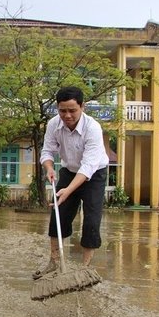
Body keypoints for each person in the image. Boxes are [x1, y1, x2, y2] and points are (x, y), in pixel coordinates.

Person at [32, 86, 110, 280]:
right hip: (68, 170)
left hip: (94, 174)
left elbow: (88, 166)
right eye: (62, 110)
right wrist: (49, 168)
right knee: (58, 214)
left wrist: (68, 191)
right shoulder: (53, 124)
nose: (67, 115)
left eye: (72, 110)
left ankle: (85, 268)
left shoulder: (92, 128)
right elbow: (47, 151)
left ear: (82, 107)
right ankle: (54, 262)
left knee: (91, 219)